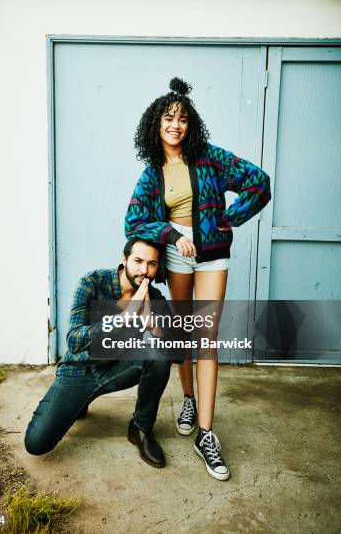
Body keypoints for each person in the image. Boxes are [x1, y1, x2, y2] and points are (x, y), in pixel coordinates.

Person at [125, 77, 271, 481]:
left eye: (183, 119)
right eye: (169, 118)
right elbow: (134, 220)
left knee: (206, 338)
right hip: (176, 254)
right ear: (156, 125)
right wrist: (172, 235)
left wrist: (229, 219)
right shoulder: (153, 173)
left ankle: (206, 433)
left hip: (212, 255)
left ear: (192, 126)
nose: (176, 125)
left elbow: (259, 183)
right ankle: (187, 398)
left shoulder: (210, 159)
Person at [24, 238, 173, 468]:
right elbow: (74, 340)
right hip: (78, 371)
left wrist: (154, 326)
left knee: (159, 356)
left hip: (116, 369)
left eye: (152, 264)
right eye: (138, 261)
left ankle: (141, 429)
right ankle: (78, 402)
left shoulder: (154, 297)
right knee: (36, 443)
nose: (144, 270)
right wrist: (123, 317)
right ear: (123, 260)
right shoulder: (92, 282)